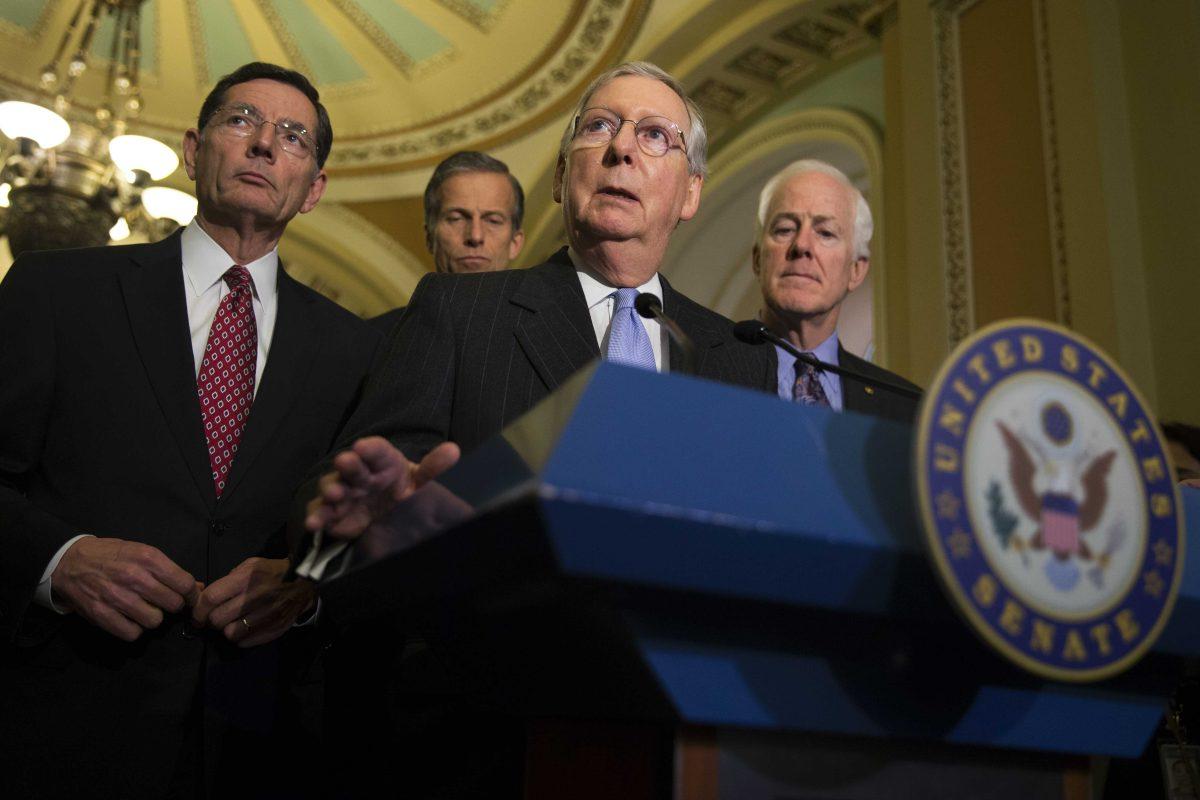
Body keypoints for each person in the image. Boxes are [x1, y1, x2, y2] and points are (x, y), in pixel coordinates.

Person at [299, 60, 774, 799]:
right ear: (561, 179)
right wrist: (368, 527)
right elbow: (355, 508)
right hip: (481, 742)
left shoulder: (738, 357)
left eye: (656, 136)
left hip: (682, 746)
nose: (622, 150)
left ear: (691, 194)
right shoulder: (459, 313)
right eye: (600, 128)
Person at [0, 62, 377, 799]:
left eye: (293, 137)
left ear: (315, 189)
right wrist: (57, 559)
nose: (264, 145)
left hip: (254, 744)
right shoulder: (55, 290)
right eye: (241, 121)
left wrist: (307, 586)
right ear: (191, 149)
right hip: (58, 725)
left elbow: (358, 530)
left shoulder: (357, 352)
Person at [751, 159, 920, 422]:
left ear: (856, 270)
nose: (802, 245)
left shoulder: (907, 408)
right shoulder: (704, 369)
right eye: (784, 229)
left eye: (826, 233)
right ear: (758, 259)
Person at [369, 150, 526, 335]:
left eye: (493, 220)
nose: (475, 236)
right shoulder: (373, 338)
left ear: (515, 243)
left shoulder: (548, 336)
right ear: (429, 237)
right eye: (456, 218)